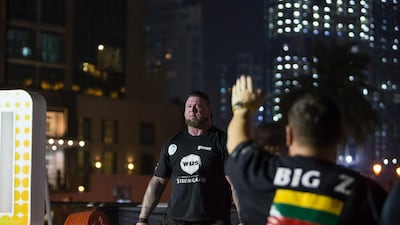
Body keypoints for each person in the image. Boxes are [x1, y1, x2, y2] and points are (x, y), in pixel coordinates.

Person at [224, 75, 387, 225]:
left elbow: (237, 143)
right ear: (340, 135)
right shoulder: (366, 195)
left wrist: (242, 108)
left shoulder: (259, 172)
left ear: (289, 135)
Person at [136, 91, 232, 225]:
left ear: (208, 110)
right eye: (188, 106)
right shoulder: (173, 144)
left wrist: (244, 219)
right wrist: (142, 219)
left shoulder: (222, 141)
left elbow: (236, 183)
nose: (192, 110)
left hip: (213, 221)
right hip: (174, 221)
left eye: (197, 106)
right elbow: (157, 181)